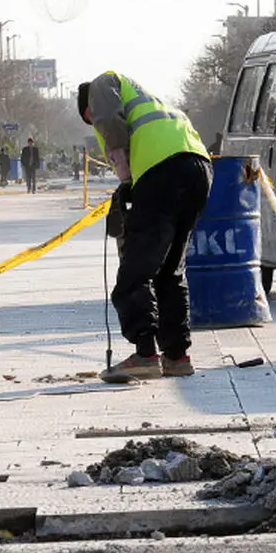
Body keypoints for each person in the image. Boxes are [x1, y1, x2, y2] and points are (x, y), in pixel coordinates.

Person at [78, 71, 213, 380]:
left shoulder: (102, 84)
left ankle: (145, 353)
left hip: (162, 172)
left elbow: (110, 121)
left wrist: (125, 176)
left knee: (135, 272)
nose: (92, 121)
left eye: (89, 117)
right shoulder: (153, 105)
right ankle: (177, 356)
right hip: (199, 169)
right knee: (170, 271)